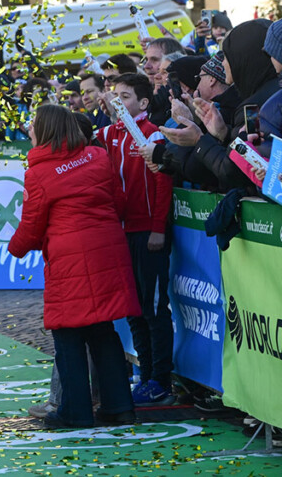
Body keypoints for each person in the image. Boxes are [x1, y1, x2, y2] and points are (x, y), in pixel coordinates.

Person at [9, 103, 140, 428]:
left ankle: (75, 411)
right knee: (103, 330)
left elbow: (31, 227)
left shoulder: (37, 173)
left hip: (70, 261)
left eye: (33, 124)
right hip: (108, 251)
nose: (29, 129)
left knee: (67, 336)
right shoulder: (97, 157)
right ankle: (119, 407)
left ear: (46, 130)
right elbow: (119, 201)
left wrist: (16, 249)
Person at [96, 72, 174, 405]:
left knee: (154, 308)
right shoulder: (111, 134)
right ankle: (144, 374)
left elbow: (163, 182)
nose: (119, 102)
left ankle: (161, 381)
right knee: (134, 309)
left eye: (125, 97)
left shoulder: (151, 134)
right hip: (122, 233)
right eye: (115, 96)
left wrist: (158, 227)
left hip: (148, 234)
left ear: (143, 103)